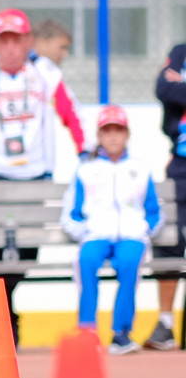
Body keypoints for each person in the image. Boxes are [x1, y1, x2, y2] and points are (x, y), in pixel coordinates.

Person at [0, 7, 82, 348]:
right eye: (4, 40)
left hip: (33, 175)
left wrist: (84, 150)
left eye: (17, 40)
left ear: (28, 41)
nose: (11, 47)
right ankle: (3, 324)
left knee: (26, 257)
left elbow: (71, 111)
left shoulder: (45, 73)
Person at [65, 105, 160, 354]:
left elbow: (153, 211)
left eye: (118, 130)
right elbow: (72, 213)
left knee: (129, 263)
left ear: (127, 134)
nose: (113, 136)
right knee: (86, 262)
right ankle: (87, 331)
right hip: (96, 236)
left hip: (131, 236)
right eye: (107, 131)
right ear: (99, 136)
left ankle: (121, 333)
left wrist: (144, 229)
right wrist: (85, 231)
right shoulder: (86, 170)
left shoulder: (140, 169)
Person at [154, 36, 186, 350]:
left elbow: (175, 90)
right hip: (180, 166)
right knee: (169, 243)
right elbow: (163, 88)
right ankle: (165, 322)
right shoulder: (180, 52)